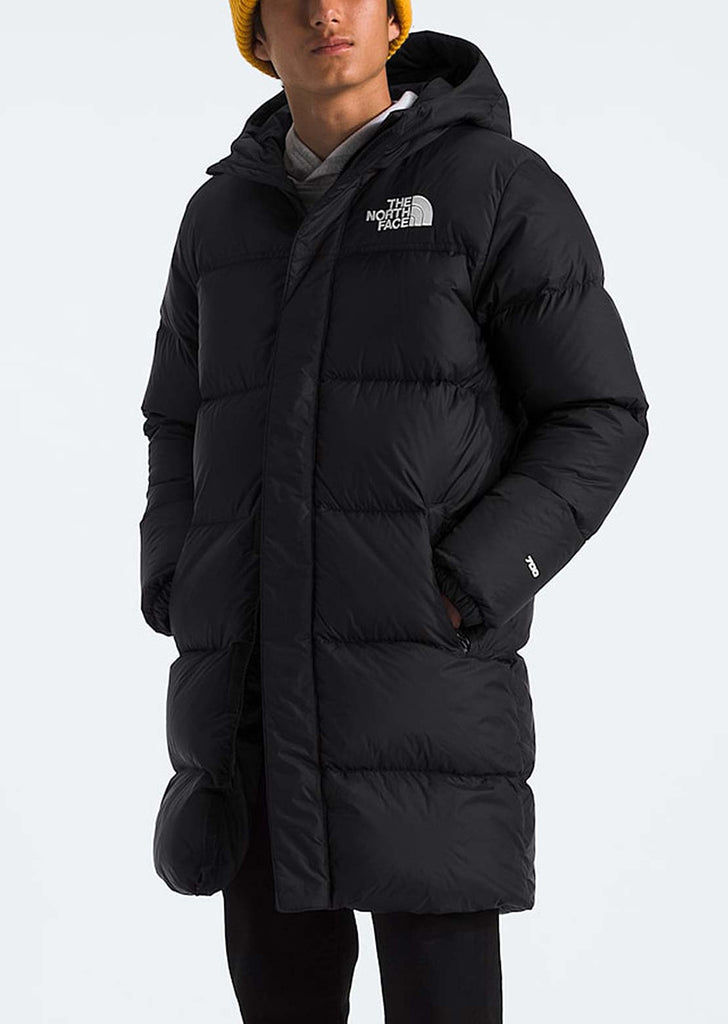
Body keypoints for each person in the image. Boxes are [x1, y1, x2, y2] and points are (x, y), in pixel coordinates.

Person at [138, 2, 650, 1021]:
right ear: (257, 35)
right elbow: (176, 417)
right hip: (252, 700)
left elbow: (599, 412)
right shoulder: (220, 220)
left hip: (422, 698)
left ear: (391, 20)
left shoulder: (490, 186)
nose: (325, 11)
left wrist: (467, 581)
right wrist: (176, 578)